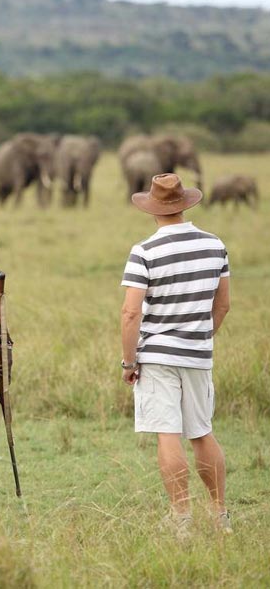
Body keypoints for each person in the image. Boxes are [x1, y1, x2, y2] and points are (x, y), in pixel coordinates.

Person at [120, 173, 232, 538]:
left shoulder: (144, 251)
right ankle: (219, 515)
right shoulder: (215, 245)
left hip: (156, 354)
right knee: (202, 432)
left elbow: (130, 313)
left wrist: (130, 361)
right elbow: (224, 305)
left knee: (167, 434)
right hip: (198, 354)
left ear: (152, 209)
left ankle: (181, 518)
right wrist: (199, 337)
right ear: (185, 204)